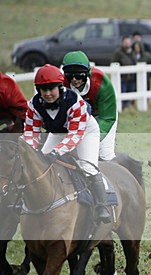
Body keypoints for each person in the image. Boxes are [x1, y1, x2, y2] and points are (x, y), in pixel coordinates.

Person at [24, 65, 111, 223]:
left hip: (84, 131)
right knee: (40, 164)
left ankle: (102, 206)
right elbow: (31, 132)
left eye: (51, 89)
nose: (48, 94)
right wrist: (32, 151)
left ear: (59, 87)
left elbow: (75, 135)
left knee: (87, 167)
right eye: (44, 90)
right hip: (58, 132)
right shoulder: (33, 105)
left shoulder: (74, 101)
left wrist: (56, 152)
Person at [61, 51, 118, 161]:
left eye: (79, 75)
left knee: (104, 153)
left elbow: (107, 118)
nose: (74, 79)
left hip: (103, 116)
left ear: (87, 73)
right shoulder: (62, 85)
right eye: (70, 75)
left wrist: (91, 139)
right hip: (76, 118)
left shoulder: (102, 83)